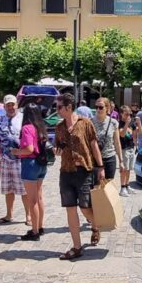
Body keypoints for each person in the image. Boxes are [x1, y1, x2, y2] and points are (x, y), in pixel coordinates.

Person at [54, 93, 105, 261]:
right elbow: (58, 149)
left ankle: (95, 226)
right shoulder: (60, 127)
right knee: (70, 209)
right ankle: (76, 247)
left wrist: (100, 167)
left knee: (84, 207)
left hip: (83, 171)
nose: (57, 110)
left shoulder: (85, 123)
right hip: (66, 172)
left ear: (69, 107)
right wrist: (57, 151)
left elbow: (93, 145)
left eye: (59, 107)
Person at [12, 104, 48, 241]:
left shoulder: (27, 128)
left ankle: (34, 232)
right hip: (41, 164)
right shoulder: (41, 127)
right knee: (39, 198)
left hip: (30, 163)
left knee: (32, 200)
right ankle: (40, 226)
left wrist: (16, 152)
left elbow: (29, 149)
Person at [0, 95, 27, 225]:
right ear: (4, 106)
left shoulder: (24, 119)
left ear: (17, 105)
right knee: (8, 189)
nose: (11, 107)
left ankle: (28, 216)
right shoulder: (0, 121)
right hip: (6, 159)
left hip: (21, 160)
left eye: (13, 104)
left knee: (24, 189)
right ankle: (9, 215)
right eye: (8, 105)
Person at [92, 97, 122, 184]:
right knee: (95, 187)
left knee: (108, 186)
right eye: (96, 107)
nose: (98, 109)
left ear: (107, 108)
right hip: (95, 159)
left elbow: (117, 142)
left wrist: (121, 161)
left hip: (109, 158)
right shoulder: (90, 122)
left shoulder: (113, 122)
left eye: (101, 107)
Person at [117, 105, 136, 197]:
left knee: (129, 169)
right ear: (121, 114)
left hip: (131, 148)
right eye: (126, 114)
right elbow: (122, 135)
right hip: (124, 149)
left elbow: (138, 133)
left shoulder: (131, 123)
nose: (128, 115)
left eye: (130, 114)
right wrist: (126, 124)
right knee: (124, 169)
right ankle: (122, 188)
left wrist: (139, 124)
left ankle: (127, 185)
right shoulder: (120, 123)